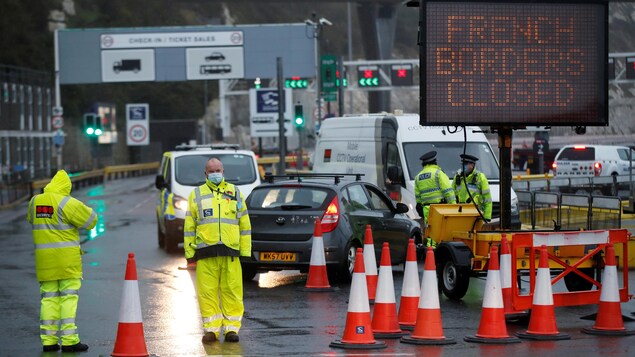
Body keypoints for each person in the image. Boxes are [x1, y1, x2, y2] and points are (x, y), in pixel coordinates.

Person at [26, 170, 97, 352]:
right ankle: (69, 340)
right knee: (68, 298)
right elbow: (91, 221)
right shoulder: (67, 202)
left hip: (44, 262)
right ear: (67, 188)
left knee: (48, 299)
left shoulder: (35, 201)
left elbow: (30, 219)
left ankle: (48, 341)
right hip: (67, 262)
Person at [184, 158, 252, 344]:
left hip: (230, 252)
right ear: (205, 174)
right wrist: (190, 253)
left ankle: (231, 329)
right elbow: (189, 226)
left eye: (218, 170)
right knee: (207, 293)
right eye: (211, 170)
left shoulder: (234, 192)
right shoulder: (196, 194)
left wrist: (245, 251)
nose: (215, 173)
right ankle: (211, 330)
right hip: (206, 253)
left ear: (223, 171)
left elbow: (244, 224)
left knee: (232, 291)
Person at [414, 151, 456, 247]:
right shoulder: (438, 173)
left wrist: (420, 206)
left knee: (430, 230)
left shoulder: (418, 177)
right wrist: (453, 205)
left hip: (426, 209)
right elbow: (448, 191)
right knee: (441, 231)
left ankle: (430, 252)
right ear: (435, 161)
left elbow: (418, 196)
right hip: (439, 208)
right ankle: (434, 253)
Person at [452, 154, 492, 221]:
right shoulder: (457, 177)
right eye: (462, 163)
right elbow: (452, 194)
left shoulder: (480, 177)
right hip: (459, 214)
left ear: (472, 165)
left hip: (475, 215)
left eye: (465, 163)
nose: (462, 165)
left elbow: (487, 199)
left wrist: (487, 217)